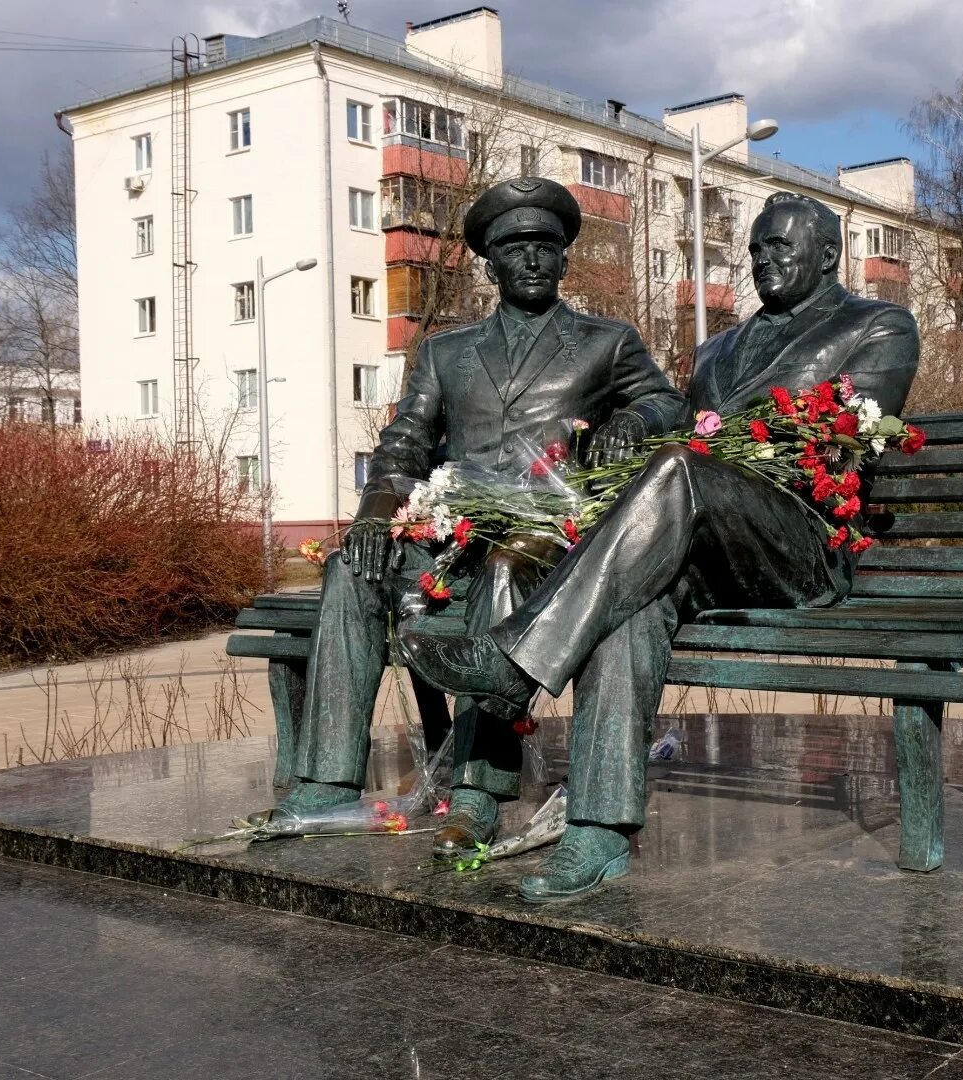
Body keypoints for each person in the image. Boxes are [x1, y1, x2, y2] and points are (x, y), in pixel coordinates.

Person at [402, 191, 921, 900]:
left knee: (677, 468)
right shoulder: (718, 349)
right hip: (701, 550)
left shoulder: (880, 326)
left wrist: (695, 449)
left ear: (828, 256)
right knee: (628, 609)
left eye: (782, 247)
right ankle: (599, 832)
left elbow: (839, 439)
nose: (764, 259)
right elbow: (679, 421)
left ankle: (512, 661)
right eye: (757, 249)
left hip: (795, 542)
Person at [278, 177, 686, 861]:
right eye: (514, 249)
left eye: (545, 248)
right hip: (450, 529)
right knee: (353, 567)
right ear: (490, 266)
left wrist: (634, 419)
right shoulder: (445, 352)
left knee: (502, 567)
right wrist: (377, 513)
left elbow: (668, 406)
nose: (530, 260)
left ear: (564, 262)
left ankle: (478, 792)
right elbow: (405, 444)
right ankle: (325, 779)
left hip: (551, 540)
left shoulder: (605, 341)